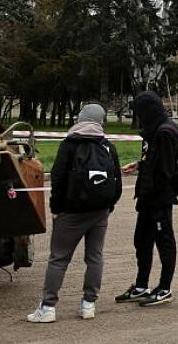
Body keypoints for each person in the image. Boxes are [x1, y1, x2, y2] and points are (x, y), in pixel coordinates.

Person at [26, 104, 121, 323]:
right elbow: (116, 181)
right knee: (95, 257)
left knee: (59, 259)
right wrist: (109, 206)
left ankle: (48, 307)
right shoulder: (108, 146)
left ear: (80, 119)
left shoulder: (69, 145)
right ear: (101, 121)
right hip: (100, 211)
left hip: (71, 212)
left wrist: (56, 209)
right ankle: (89, 304)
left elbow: (58, 179)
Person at [116, 91, 178, 307]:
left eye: (140, 112)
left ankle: (164, 288)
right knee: (142, 241)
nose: (139, 118)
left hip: (159, 199)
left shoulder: (166, 132)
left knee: (164, 242)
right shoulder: (153, 131)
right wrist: (139, 165)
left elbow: (166, 169)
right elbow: (154, 160)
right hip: (146, 197)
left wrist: (154, 196)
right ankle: (141, 285)